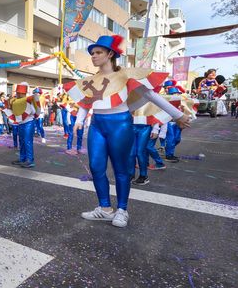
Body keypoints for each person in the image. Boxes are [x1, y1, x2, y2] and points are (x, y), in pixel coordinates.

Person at [66, 35, 190, 228]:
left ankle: (122, 210)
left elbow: (150, 95)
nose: (93, 56)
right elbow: (85, 101)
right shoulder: (91, 79)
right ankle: (105, 209)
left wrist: (177, 115)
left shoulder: (125, 75)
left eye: (98, 52)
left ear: (110, 54)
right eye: (92, 53)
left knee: (121, 169)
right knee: (96, 166)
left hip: (120, 123)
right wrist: (79, 120)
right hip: (97, 124)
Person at [9, 83, 36, 168]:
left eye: (17, 92)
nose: (16, 94)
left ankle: (30, 160)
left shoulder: (28, 100)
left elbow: (33, 111)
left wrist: (23, 114)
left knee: (27, 141)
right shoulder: (16, 101)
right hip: (21, 123)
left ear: (21, 93)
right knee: (22, 141)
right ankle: (22, 158)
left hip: (28, 123)